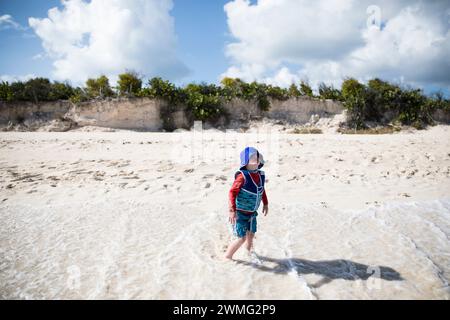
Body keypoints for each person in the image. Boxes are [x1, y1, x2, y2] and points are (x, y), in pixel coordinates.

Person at [224, 147, 269, 260]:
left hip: (252, 213)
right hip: (240, 213)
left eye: (257, 156)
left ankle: (247, 253)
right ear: (245, 162)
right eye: (252, 157)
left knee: (251, 234)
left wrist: (266, 203)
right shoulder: (242, 177)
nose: (256, 158)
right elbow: (232, 192)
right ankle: (227, 257)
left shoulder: (260, 175)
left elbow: (261, 189)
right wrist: (232, 210)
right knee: (241, 238)